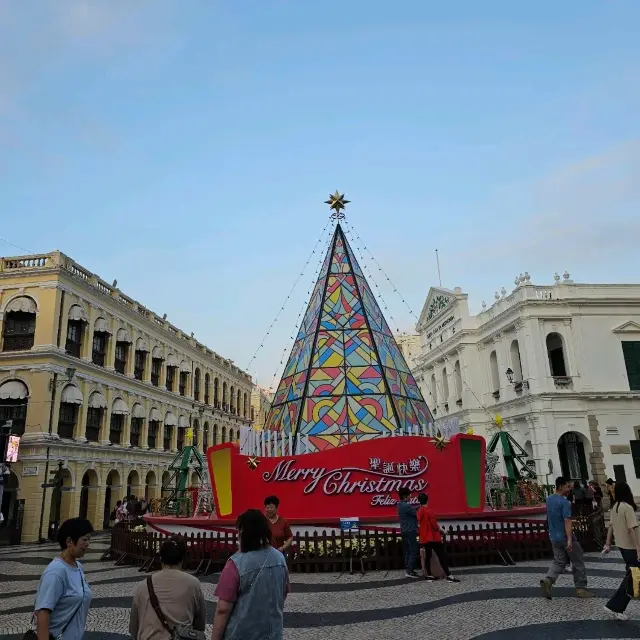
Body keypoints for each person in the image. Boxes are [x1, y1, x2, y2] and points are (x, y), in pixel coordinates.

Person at [212, 508, 290, 640]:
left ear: (242, 532)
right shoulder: (279, 559)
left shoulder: (236, 563)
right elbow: (283, 593)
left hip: (242, 634)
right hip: (273, 634)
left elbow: (223, 609)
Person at [130, 536, 206, 640]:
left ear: (161, 558)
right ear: (183, 559)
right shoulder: (193, 584)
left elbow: (134, 627)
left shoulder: (143, 586)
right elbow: (200, 624)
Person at [33, 517, 94, 640]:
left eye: (89, 540)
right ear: (69, 541)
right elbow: (42, 614)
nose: (88, 544)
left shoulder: (78, 567)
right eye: (84, 539)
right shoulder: (56, 572)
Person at [540, 476, 594, 599]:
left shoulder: (549, 500)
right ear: (560, 486)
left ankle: (548, 580)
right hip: (565, 536)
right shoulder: (564, 502)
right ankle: (581, 589)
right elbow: (567, 520)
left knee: (559, 562)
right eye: (567, 486)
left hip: (554, 537)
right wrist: (569, 539)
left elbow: (553, 517)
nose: (570, 489)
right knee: (578, 561)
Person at [603, 481, 640, 621]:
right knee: (631, 578)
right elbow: (631, 529)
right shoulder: (627, 508)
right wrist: (638, 548)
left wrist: (607, 543)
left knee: (632, 576)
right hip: (631, 547)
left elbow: (611, 527)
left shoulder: (615, 507)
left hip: (623, 547)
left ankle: (616, 606)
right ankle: (615, 606)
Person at [416, 493, 459, 583]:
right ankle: (449, 575)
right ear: (427, 500)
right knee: (441, 556)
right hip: (433, 537)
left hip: (424, 538)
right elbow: (434, 526)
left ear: (419, 501)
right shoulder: (429, 511)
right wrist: (443, 531)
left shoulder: (419, 512)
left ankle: (429, 575)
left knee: (428, 556)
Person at [397, 487, 420, 578]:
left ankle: (408, 568)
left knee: (408, 551)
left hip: (404, 530)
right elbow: (416, 514)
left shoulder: (400, 505)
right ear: (404, 496)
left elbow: (411, 510)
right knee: (413, 550)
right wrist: (421, 507)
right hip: (410, 530)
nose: (410, 497)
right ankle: (409, 570)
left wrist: (418, 506)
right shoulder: (406, 506)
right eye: (409, 495)